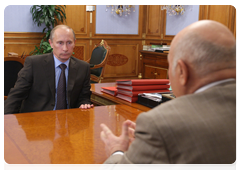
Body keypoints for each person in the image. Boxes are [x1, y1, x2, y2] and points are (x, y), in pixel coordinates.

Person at [100, 20, 238, 170]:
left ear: (182, 71)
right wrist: (149, 144)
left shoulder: (161, 124)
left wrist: (117, 151)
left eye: (169, 66)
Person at [4, 25, 93, 114]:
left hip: (68, 120)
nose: (65, 48)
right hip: (37, 119)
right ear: (51, 43)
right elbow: (16, 95)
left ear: (75, 43)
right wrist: (6, 120)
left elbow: (84, 97)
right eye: (60, 43)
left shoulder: (83, 67)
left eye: (69, 42)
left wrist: (84, 104)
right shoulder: (34, 64)